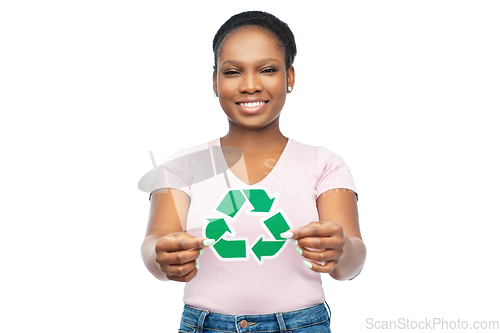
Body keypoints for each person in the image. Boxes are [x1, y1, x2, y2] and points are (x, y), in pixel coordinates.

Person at [141, 10, 366, 332]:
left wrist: (341, 247)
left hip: (302, 323)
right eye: (232, 72)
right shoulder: (183, 165)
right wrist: (159, 256)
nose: (249, 85)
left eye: (268, 69)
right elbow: (155, 242)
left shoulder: (323, 164)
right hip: (205, 324)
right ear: (215, 81)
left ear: (289, 77)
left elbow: (351, 264)